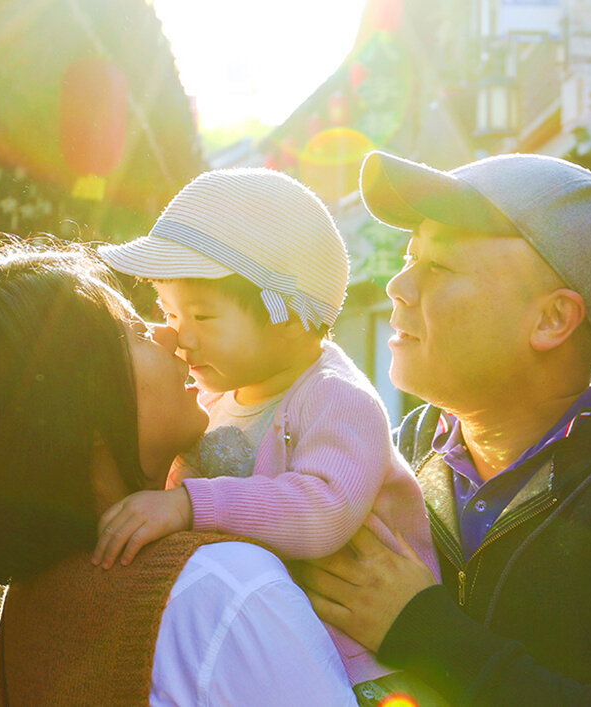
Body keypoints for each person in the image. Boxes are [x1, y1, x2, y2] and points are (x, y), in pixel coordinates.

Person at [294, 151, 591, 705]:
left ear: (552, 319)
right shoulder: (396, 453)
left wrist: (426, 633)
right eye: (410, 256)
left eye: (440, 266)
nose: (398, 286)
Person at [0, 238, 358, 705]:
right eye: (136, 333)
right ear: (83, 410)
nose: (170, 336)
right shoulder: (220, 592)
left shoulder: (31, 600)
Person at [94, 168, 441, 698]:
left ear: (290, 317)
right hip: (268, 647)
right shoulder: (212, 399)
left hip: (365, 668)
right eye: (168, 312)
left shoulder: (335, 398)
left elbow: (324, 511)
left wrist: (189, 506)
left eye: (203, 316)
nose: (179, 336)